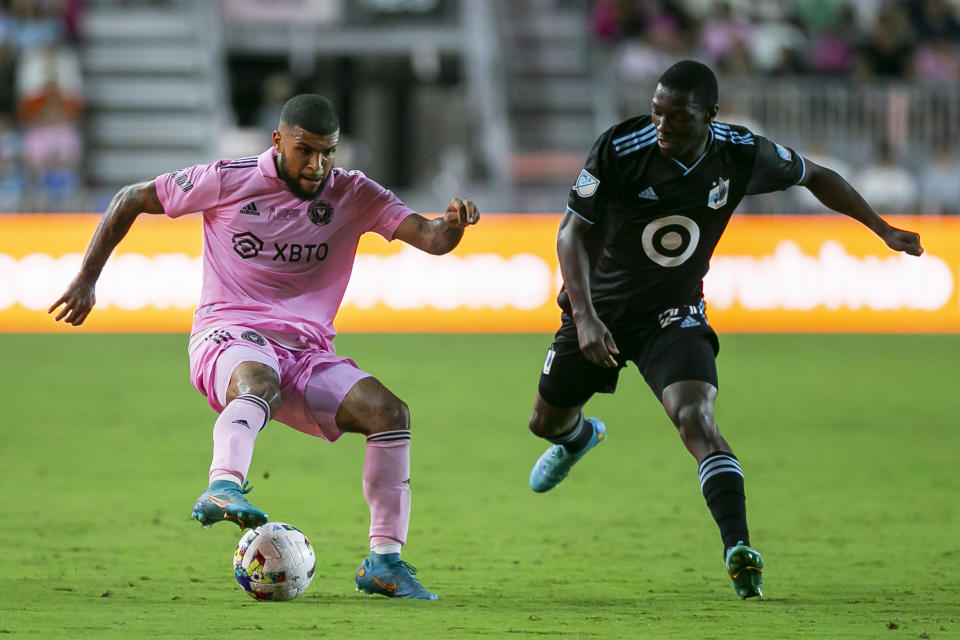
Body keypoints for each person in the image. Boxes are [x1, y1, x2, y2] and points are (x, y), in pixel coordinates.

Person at [49, 94, 479, 600]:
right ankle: (223, 484)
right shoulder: (228, 179)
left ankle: (384, 561)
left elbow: (428, 236)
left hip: (306, 352)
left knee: (389, 412)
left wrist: (450, 226)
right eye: (305, 150)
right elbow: (130, 198)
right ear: (277, 141)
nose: (317, 164)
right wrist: (86, 279)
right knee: (259, 381)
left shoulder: (353, 193)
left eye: (328, 152)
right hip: (228, 333)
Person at [526, 60, 923, 599]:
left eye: (677, 117)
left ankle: (739, 547)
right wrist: (585, 315)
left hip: (674, 313)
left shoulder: (739, 151)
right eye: (656, 112)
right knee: (545, 423)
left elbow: (819, 177)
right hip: (599, 311)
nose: (661, 126)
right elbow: (571, 233)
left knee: (696, 418)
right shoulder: (621, 148)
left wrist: (883, 229)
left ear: (710, 115)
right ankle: (578, 439)